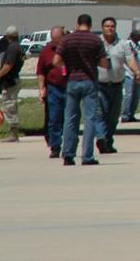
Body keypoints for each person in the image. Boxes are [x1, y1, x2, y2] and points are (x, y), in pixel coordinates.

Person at [55, 13, 104, 165]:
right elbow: (104, 63)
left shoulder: (67, 39)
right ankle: (87, 156)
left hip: (72, 81)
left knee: (70, 118)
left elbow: (56, 61)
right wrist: (92, 61)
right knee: (90, 119)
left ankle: (68, 154)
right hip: (89, 81)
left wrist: (68, 65)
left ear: (77, 23)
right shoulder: (95, 39)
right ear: (90, 24)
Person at [93, 16, 139, 154]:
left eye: (112, 26)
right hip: (99, 85)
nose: (110, 28)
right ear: (102, 28)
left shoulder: (123, 44)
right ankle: (101, 138)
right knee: (100, 114)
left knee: (113, 117)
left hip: (116, 86)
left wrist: (137, 71)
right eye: (107, 26)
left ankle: (107, 142)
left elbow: (130, 59)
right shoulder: (96, 43)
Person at [36, 25, 67, 157]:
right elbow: (41, 72)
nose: (56, 42)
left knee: (68, 119)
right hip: (53, 88)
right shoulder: (46, 51)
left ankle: (68, 146)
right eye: (54, 40)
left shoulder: (69, 49)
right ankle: (55, 146)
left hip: (69, 87)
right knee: (54, 118)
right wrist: (41, 88)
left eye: (58, 39)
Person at [0, 25, 26, 142]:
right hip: (13, 80)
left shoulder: (13, 48)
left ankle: (14, 134)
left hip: (10, 81)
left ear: (8, 37)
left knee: (10, 105)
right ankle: (13, 132)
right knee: (10, 104)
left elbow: (9, 65)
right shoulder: (18, 47)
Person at [120, 29, 140, 122]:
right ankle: (125, 115)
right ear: (132, 37)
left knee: (136, 96)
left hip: (138, 75)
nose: (139, 37)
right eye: (137, 35)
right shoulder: (127, 46)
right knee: (129, 95)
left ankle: (131, 114)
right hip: (129, 74)